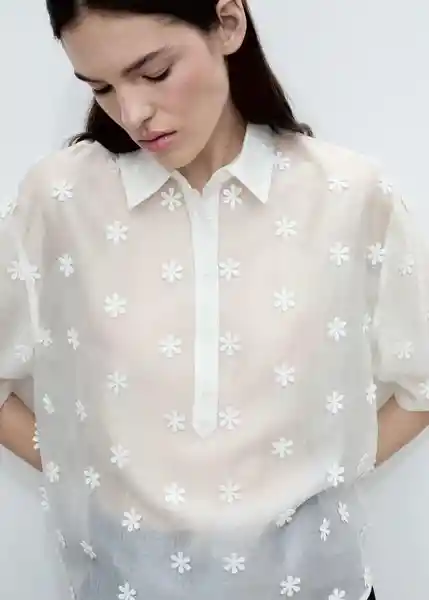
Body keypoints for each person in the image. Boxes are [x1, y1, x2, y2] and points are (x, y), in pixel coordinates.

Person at [0, 0, 428, 598]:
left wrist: (312, 476)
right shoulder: (60, 200)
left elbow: (421, 381)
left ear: (228, 24)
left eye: (154, 72)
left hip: (314, 582)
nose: (133, 113)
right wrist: (93, 472)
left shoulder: (347, 195)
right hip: (128, 583)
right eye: (101, 87)